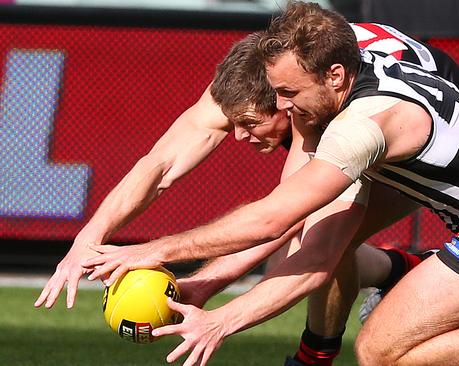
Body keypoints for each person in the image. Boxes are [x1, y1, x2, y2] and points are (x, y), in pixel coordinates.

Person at [80, 3, 459, 366]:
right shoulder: (363, 69)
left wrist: (159, 255)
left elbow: (282, 226)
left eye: (288, 94)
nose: (282, 108)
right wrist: (209, 287)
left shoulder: (359, 128)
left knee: (379, 350)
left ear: (333, 75)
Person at [33, 30, 428, 364]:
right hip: (385, 106)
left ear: (286, 102)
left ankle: (315, 356)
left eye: (251, 123)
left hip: (424, 151)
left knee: (318, 239)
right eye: (234, 122)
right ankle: (400, 267)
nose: (239, 136)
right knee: (302, 245)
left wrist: (195, 277)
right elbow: (160, 164)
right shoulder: (260, 71)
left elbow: (280, 220)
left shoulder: (320, 110)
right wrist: (89, 238)